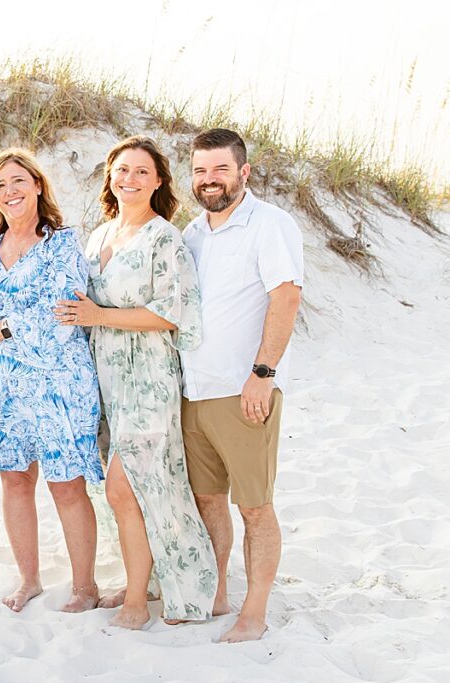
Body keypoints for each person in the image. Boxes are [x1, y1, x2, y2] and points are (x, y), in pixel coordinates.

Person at [56, 136, 217, 631]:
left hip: (147, 377)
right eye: (122, 170)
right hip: (105, 378)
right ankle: (139, 583)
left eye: (142, 172)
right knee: (125, 489)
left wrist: (98, 314)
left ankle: (159, 596)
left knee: (132, 487)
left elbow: (172, 315)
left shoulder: (163, 238)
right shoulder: (99, 236)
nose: (130, 179)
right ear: (110, 176)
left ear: (159, 181)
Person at [180, 128, 303, 642]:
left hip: (244, 392)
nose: (210, 181)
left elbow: (287, 296)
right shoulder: (190, 233)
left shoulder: (269, 224)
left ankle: (254, 612)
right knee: (209, 501)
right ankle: (218, 593)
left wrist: (263, 374)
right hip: (194, 395)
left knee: (254, 506)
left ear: (243, 172)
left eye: (220, 170)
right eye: (201, 171)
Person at [0, 148, 102, 613]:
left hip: (57, 382)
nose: (10, 191)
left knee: (66, 484)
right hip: (6, 387)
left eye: (18, 181)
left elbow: (62, 311)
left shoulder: (61, 242)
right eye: (0, 184)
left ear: (38, 186)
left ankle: (85, 586)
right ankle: (29, 579)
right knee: (15, 481)